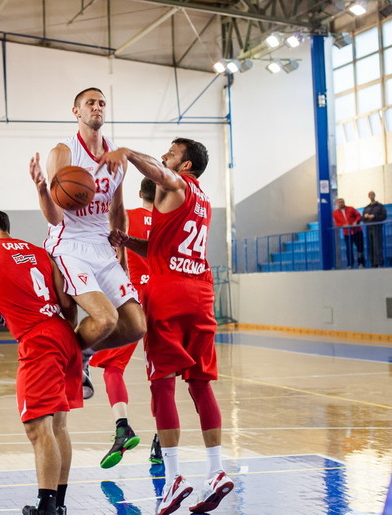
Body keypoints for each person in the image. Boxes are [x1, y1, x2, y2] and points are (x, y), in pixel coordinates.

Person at [101, 138, 234, 515]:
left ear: (186, 165)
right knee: (201, 383)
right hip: (200, 292)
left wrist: (126, 154)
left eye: (172, 153)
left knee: (162, 384)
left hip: (169, 294)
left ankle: (173, 476)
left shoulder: (177, 183)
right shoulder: (201, 198)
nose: (164, 157)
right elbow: (164, 247)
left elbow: (159, 173)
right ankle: (216, 470)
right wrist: (128, 241)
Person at [29, 87, 147, 399]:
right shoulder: (63, 153)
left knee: (136, 325)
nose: (97, 107)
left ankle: (80, 354)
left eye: (102, 103)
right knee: (106, 318)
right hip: (69, 244)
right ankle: (70, 359)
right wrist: (43, 190)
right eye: (90, 103)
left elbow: (117, 210)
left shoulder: (116, 157)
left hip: (102, 246)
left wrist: (120, 255)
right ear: (76, 112)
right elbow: (55, 219)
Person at [0, 210, 83, 515]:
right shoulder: (40, 251)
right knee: (58, 426)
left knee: (37, 428)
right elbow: (68, 304)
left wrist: (12, 312)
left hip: (38, 341)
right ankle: (59, 504)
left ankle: (46, 506)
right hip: (65, 335)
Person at [89, 178, 159, 468]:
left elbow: (108, 258)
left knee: (112, 368)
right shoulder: (170, 222)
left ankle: (123, 427)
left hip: (131, 299)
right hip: (164, 297)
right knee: (162, 376)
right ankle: (161, 440)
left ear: (140, 193)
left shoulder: (126, 219)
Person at [332, 198, 365, 268]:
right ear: (337, 204)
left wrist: (356, 221)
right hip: (347, 233)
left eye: (342, 202)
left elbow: (358, 215)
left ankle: (361, 263)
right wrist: (342, 225)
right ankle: (350, 264)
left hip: (357, 231)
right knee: (349, 249)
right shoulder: (335, 213)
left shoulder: (351, 209)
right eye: (339, 202)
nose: (341, 203)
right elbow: (337, 223)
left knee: (360, 248)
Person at [362, 191, 387, 268]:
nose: (371, 196)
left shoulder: (380, 206)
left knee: (378, 245)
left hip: (377, 228)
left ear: (374, 195)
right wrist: (365, 217)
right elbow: (363, 219)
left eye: (372, 194)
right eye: (370, 195)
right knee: (371, 246)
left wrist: (374, 217)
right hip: (369, 228)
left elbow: (384, 216)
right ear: (368, 196)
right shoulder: (366, 208)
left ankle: (379, 262)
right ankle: (373, 263)